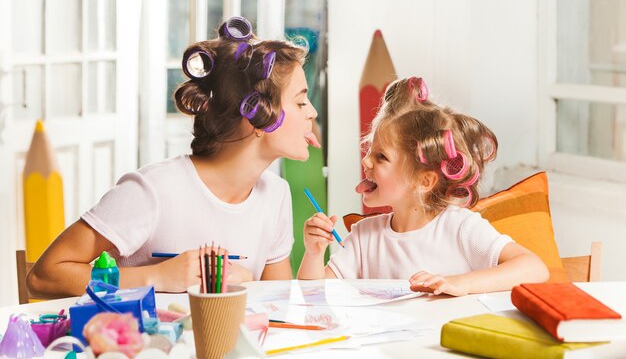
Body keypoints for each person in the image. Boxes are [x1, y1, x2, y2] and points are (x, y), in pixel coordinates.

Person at [28, 16, 320, 298]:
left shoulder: (276, 194)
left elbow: (275, 308)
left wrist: (249, 285)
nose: (312, 112)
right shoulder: (154, 190)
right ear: (255, 117)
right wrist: (158, 277)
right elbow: (44, 276)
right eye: (300, 101)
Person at [297, 77, 549, 296]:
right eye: (369, 151)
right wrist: (314, 253)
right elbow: (313, 295)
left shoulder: (459, 227)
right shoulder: (364, 236)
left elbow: (533, 268)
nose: (365, 161)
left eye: (381, 157)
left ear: (424, 181)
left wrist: (460, 283)